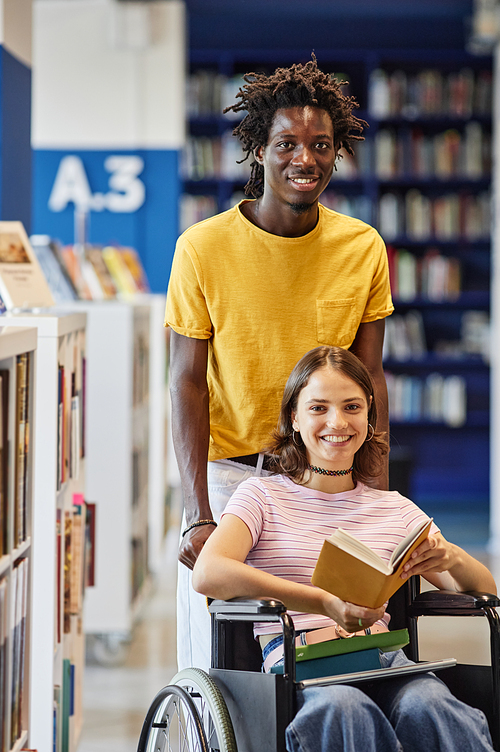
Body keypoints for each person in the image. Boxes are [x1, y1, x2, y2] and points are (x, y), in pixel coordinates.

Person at [166, 56, 394, 670]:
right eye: (287, 143)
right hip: (231, 474)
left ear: (338, 150)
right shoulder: (202, 248)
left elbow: (371, 381)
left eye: (321, 144)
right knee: (217, 661)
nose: (306, 159)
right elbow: (185, 382)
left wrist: (375, 494)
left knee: (329, 654)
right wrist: (195, 514)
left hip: (324, 479)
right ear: (259, 150)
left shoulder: (363, 247)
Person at [192, 346, 496, 752]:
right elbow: (208, 572)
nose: (337, 422)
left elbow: (485, 588)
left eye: (352, 407)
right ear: (294, 419)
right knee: (344, 707)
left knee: (430, 703)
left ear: (369, 417)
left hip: (384, 661)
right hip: (300, 664)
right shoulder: (261, 496)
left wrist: (451, 558)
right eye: (318, 408)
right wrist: (324, 603)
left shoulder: (394, 508)